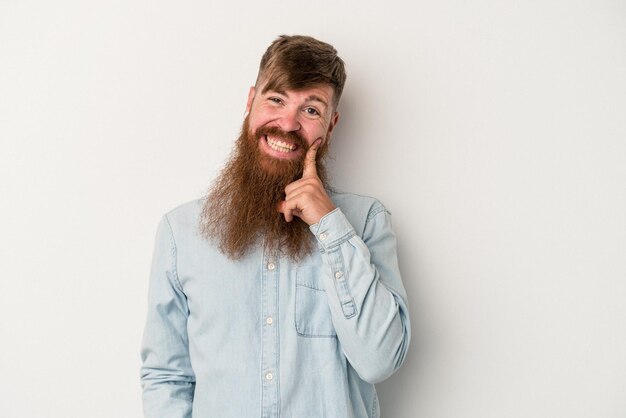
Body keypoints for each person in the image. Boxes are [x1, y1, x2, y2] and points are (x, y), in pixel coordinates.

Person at [140, 34, 411, 418]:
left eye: (311, 110)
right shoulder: (181, 233)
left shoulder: (365, 223)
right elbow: (166, 377)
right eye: (277, 100)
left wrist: (331, 227)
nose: (288, 123)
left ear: (331, 126)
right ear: (250, 102)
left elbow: (380, 360)